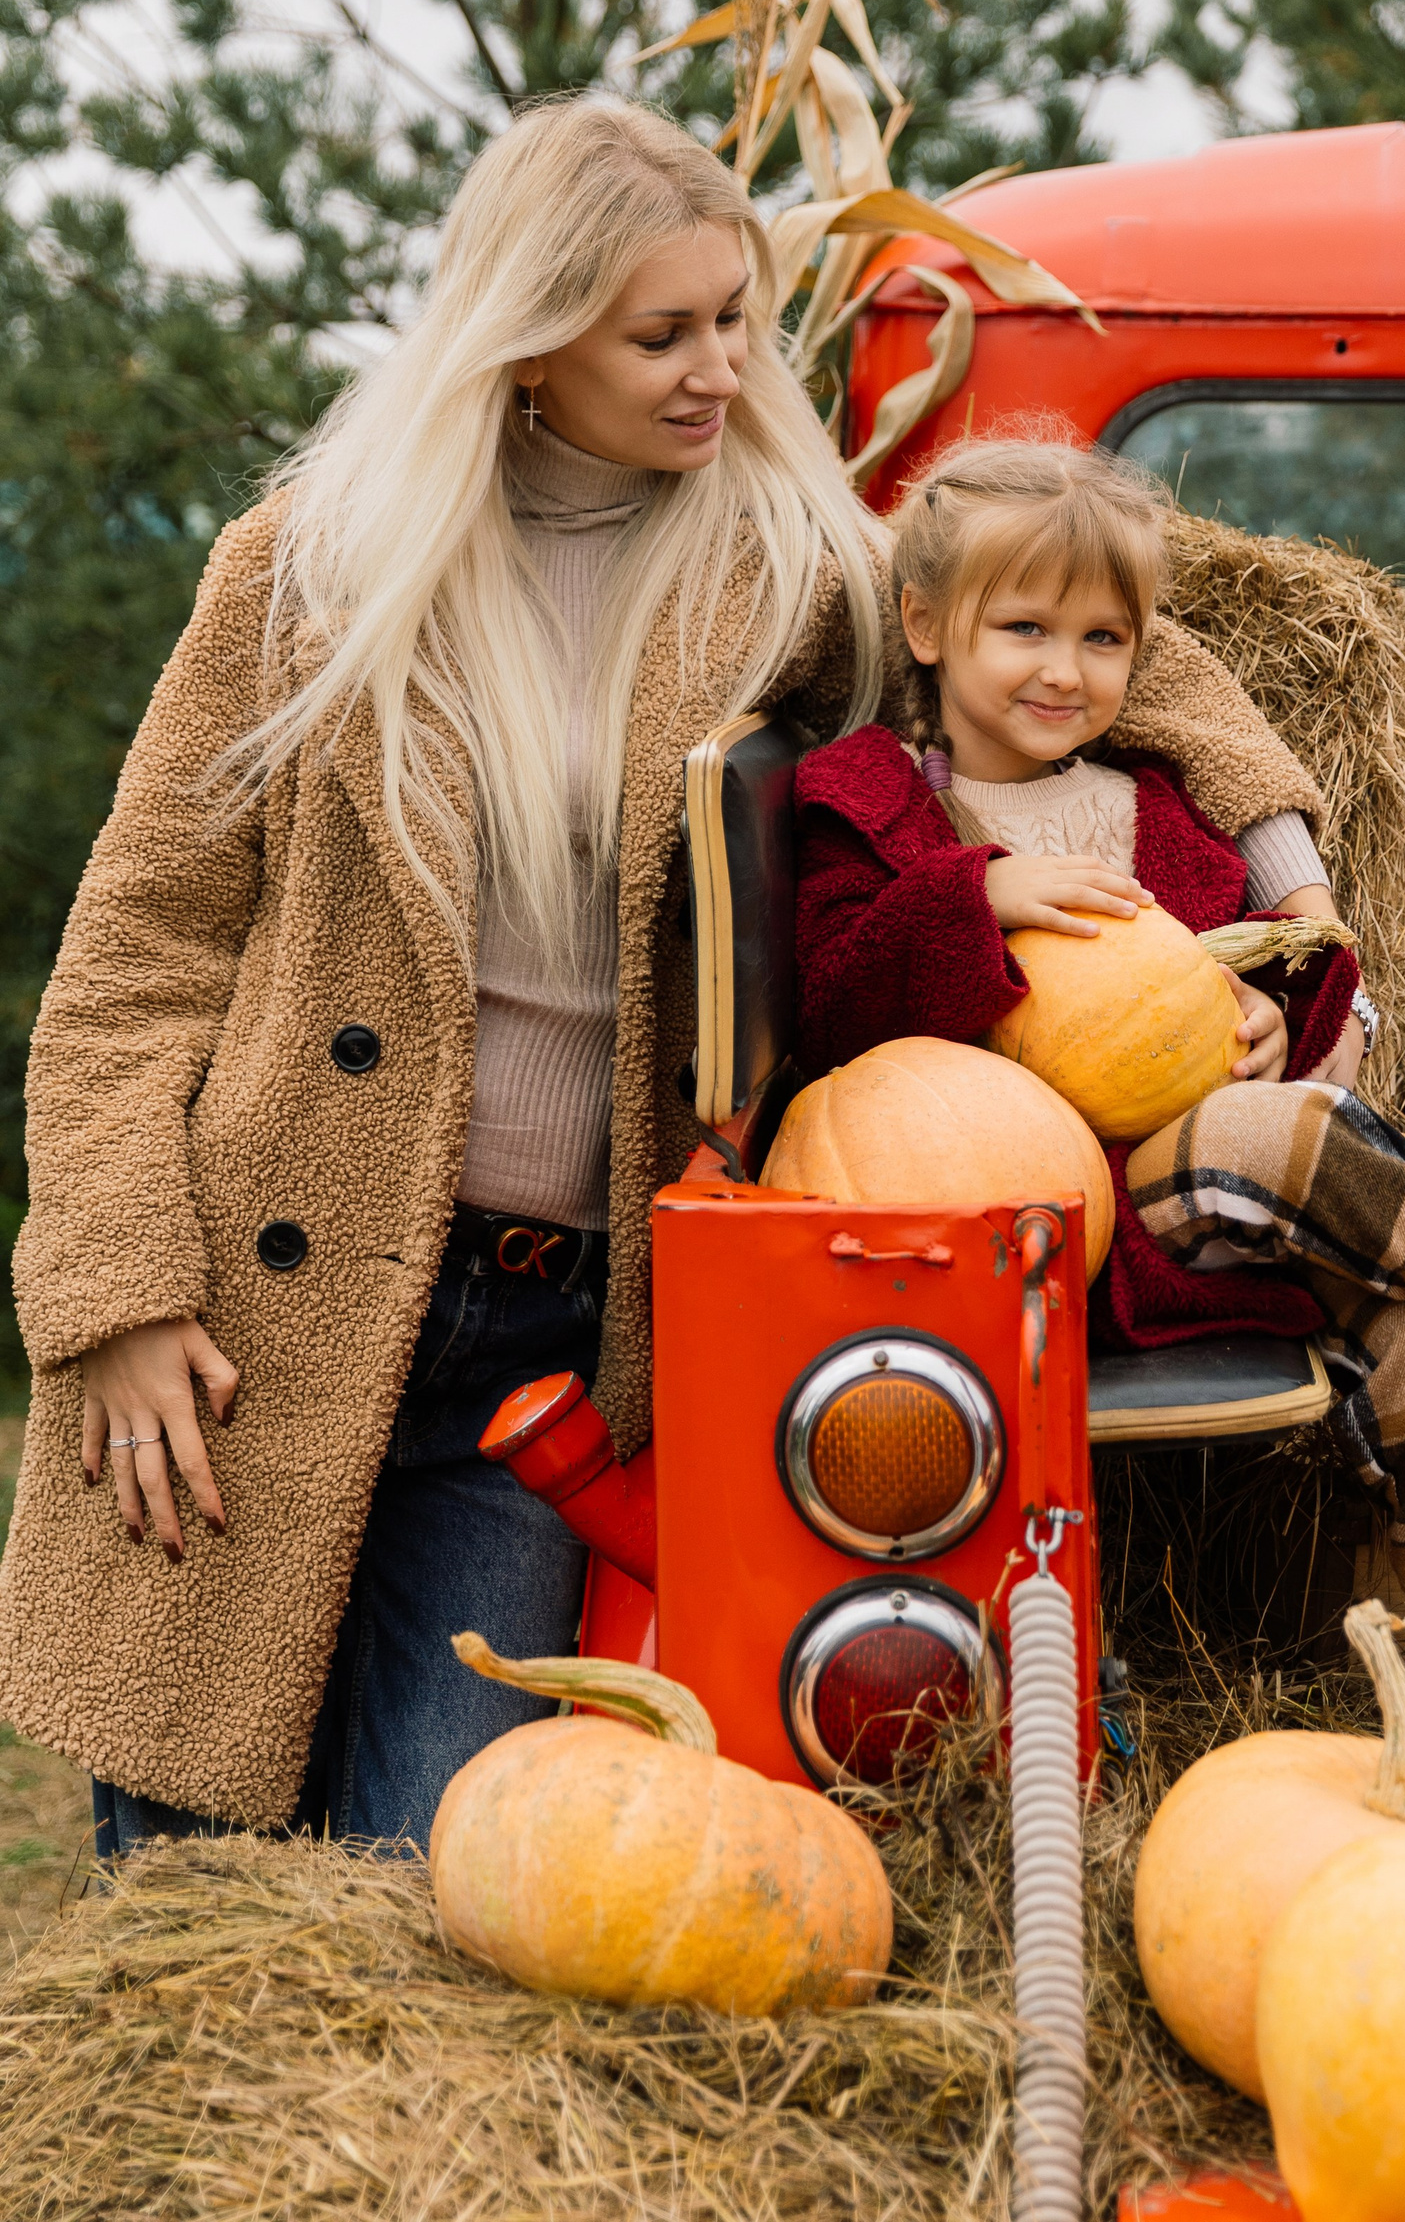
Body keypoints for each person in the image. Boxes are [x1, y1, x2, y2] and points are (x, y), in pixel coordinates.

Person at [0, 103, 1312, 1852]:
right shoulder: (305, 570)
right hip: (252, 1313)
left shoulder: (784, 573)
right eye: (663, 333)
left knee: (447, 1870)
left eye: (736, 319)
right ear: (532, 339)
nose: (720, 369)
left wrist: (1285, 882)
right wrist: (114, 1296)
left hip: (550, 1342)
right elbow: (137, 955)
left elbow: (1099, 637)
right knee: (186, 1896)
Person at [791, 436, 1405, 1860]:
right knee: (1291, 1150)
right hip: (1049, 1216)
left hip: (1230, 1200)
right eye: (1025, 629)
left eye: (1104, 638)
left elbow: (1283, 974)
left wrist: (1262, 1012)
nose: (1065, 669)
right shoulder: (871, 803)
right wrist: (974, 895)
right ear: (927, 628)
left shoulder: (1153, 806)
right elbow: (831, 992)